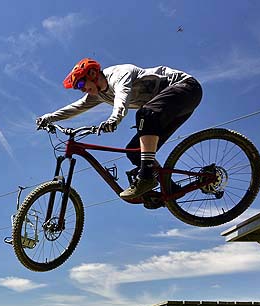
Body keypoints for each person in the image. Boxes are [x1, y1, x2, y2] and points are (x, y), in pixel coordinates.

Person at [36, 58, 202, 200]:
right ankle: (169, 189)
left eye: (81, 83)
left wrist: (114, 119)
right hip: (174, 110)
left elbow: (122, 97)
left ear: (93, 74)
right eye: (78, 88)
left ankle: (146, 177)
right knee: (134, 151)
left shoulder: (119, 74)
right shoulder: (98, 94)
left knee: (145, 114)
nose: (81, 90)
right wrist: (49, 117)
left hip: (187, 88)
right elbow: (76, 107)